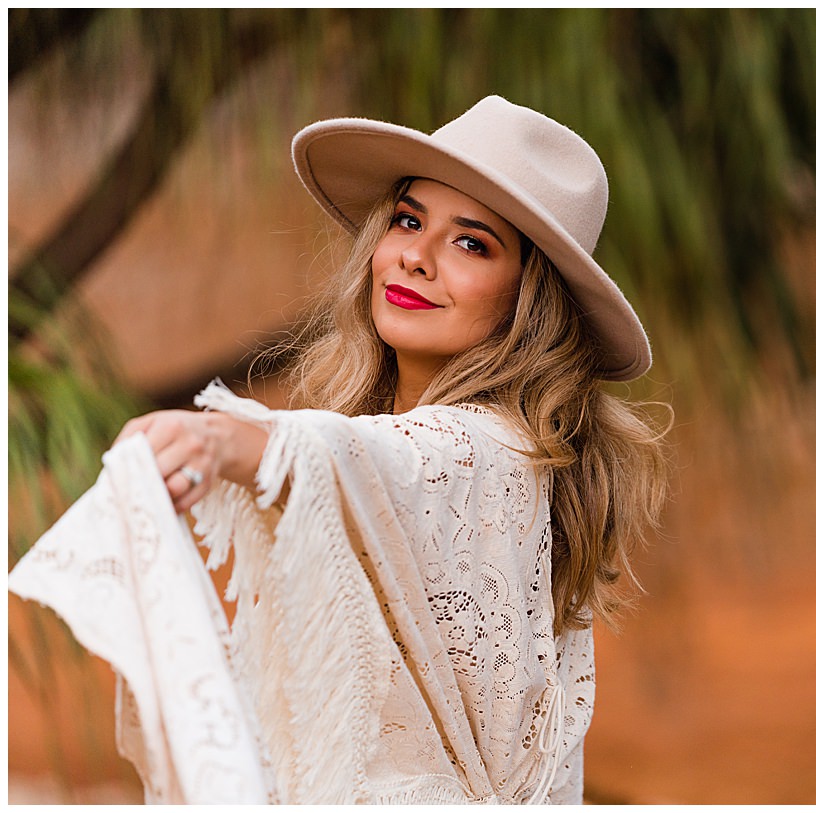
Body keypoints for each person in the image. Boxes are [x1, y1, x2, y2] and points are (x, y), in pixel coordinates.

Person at [10, 96, 670, 803]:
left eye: (471, 243)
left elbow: (387, 459)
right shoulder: (374, 446)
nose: (415, 256)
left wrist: (220, 436)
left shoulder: (496, 455)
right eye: (409, 220)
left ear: (527, 301)